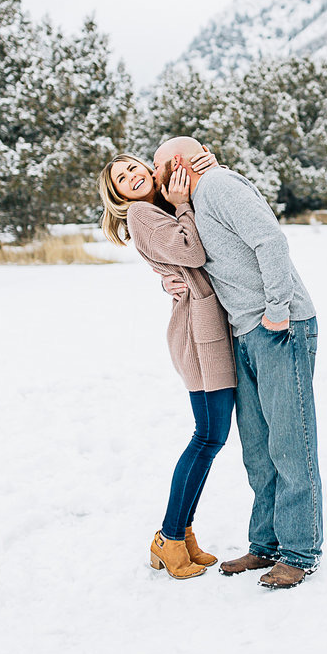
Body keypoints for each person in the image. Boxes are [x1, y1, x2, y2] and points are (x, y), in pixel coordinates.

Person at [151, 136, 322, 590]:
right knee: (258, 449)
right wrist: (169, 281)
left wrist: (278, 309)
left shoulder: (221, 186)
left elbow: (270, 241)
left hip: (278, 327)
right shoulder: (194, 201)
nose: (155, 179)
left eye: (157, 168)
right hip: (242, 334)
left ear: (180, 163)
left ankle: (300, 553)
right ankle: (264, 544)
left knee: (291, 442)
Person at [97, 149, 232, 581]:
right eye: (122, 177)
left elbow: (177, 259)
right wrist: (181, 206)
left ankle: (182, 534)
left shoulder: (153, 211)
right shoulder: (141, 213)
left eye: (135, 166)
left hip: (202, 323)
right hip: (196, 334)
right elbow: (191, 254)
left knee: (210, 437)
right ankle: (169, 537)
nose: (133, 176)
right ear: (116, 194)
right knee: (208, 436)